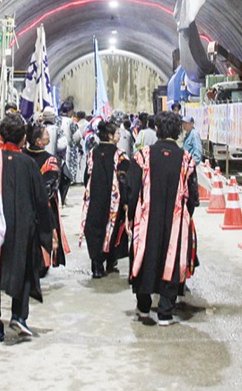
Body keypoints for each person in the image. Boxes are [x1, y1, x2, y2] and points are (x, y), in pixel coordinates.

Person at [0, 112, 53, 343]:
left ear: (0, 136)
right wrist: (48, 233)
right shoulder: (28, 164)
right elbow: (41, 201)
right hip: (22, 229)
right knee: (25, 270)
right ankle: (18, 315)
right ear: (23, 139)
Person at [126, 111, 198, 326]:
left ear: (157, 129)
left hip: (147, 220)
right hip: (176, 221)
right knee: (173, 257)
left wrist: (131, 216)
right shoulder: (187, 160)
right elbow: (192, 196)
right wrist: (186, 216)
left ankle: (144, 307)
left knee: (145, 257)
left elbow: (132, 190)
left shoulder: (142, 156)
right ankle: (166, 311)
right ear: (177, 132)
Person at [82, 118, 130, 278]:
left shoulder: (92, 153)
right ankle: (110, 262)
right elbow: (124, 180)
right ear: (110, 136)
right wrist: (126, 201)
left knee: (94, 229)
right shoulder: (120, 155)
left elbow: (86, 177)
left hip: (94, 199)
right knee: (113, 229)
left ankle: (96, 266)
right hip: (113, 202)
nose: (119, 136)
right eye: (117, 133)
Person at [24, 122, 66, 275]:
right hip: (45, 206)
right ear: (38, 141)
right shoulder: (51, 160)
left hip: (24, 204)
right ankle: (43, 263)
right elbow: (52, 185)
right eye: (45, 133)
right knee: (45, 233)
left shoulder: (22, 156)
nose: (48, 134)